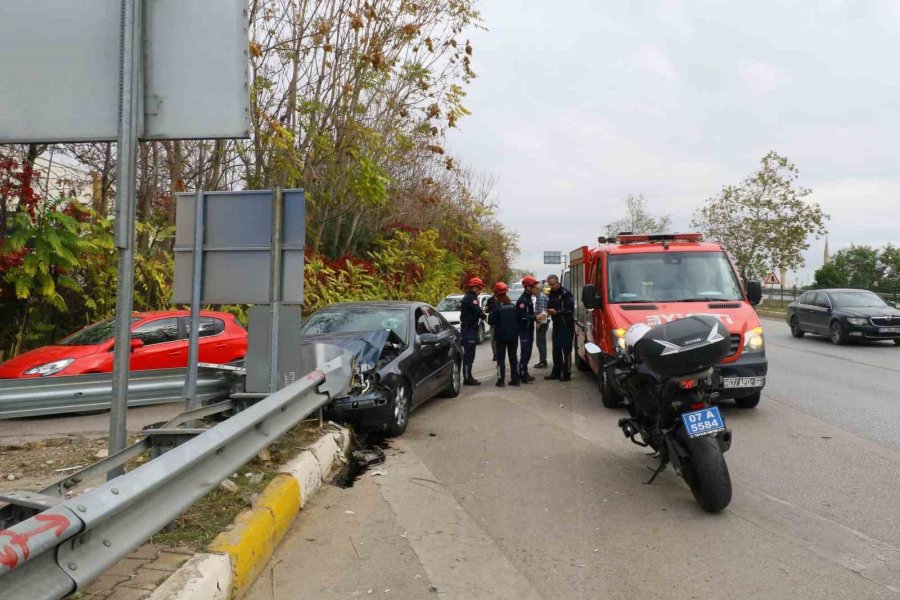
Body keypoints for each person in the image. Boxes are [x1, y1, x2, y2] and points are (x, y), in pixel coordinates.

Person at [487, 282, 520, 387]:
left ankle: (501, 381)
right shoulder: (513, 306)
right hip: (513, 336)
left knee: (501, 359)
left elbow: (491, 321)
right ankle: (516, 380)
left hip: (501, 337)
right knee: (513, 358)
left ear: (496, 293)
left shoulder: (496, 307)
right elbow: (518, 320)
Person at [544, 274, 575, 382]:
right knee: (556, 350)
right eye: (549, 285)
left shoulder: (566, 293)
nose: (551, 286)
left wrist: (557, 312)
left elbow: (569, 310)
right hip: (556, 325)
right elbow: (549, 306)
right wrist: (548, 311)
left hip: (566, 325)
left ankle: (567, 373)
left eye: (553, 284)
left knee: (566, 350)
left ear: (558, 282)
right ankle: (556, 372)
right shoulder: (551, 293)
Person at [460, 277, 486, 385]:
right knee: (469, 355)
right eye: (479, 288)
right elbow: (478, 311)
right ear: (475, 287)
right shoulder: (471, 298)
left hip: (470, 329)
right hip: (468, 330)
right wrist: (485, 316)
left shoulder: (470, 297)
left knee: (470, 355)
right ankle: (467, 378)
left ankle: (469, 376)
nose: (480, 290)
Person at [516, 275, 539, 383]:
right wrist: (535, 317)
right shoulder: (523, 300)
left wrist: (536, 316)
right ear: (528, 287)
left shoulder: (529, 298)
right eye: (534, 287)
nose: (536, 289)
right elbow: (522, 316)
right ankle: (521, 374)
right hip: (524, 330)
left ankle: (524, 372)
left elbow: (529, 313)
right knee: (525, 352)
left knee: (528, 352)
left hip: (529, 329)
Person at [533, 282, 549, 368]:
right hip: (541, 322)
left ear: (538, 289)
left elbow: (543, 313)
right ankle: (542, 360)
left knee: (540, 342)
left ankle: (543, 361)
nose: (533, 291)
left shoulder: (541, 298)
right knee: (540, 342)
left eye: (534, 289)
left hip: (542, 323)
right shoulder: (539, 297)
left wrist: (538, 323)